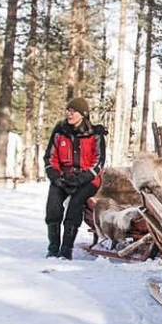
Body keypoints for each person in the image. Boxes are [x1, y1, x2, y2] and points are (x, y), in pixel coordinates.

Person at [43, 97, 107, 259]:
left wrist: (81, 178)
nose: (69, 114)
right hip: (63, 176)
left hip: (87, 179)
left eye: (73, 111)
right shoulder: (60, 132)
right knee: (53, 207)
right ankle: (53, 248)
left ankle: (66, 250)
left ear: (83, 114)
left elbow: (98, 162)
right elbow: (50, 157)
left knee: (75, 206)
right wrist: (55, 177)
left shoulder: (95, 134)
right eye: (68, 111)